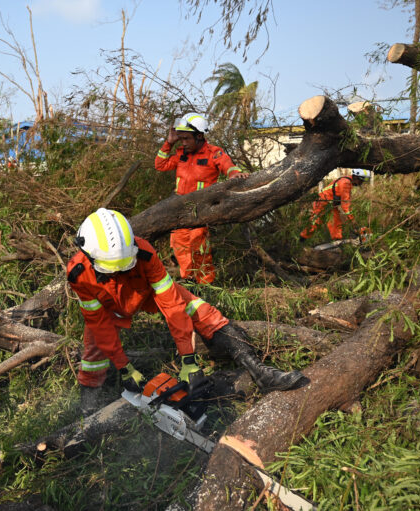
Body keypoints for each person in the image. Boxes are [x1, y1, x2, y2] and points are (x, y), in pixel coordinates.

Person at [68, 208, 304, 408]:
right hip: (109, 307)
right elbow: (98, 322)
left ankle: (260, 372)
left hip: (145, 293)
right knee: (94, 353)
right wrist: (124, 366)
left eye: (123, 266)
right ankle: (88, 410)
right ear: (87, 253)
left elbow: (172, 304)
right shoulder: (78, 274)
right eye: (112, 267)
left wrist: (188, 359)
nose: (118, 271)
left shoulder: (144, 253)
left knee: (201, 310)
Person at [155, 113, 248, 284]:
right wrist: (169, 142)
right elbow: (160, 165)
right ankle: (189, 282)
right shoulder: (181, 153)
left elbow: (228, 166)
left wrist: (235, 174)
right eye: (181, 138)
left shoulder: (214, 153)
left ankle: (206, 285)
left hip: (201, 210)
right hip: (180, 209)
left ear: (199, 136)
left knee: (199, 247)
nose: (183, 142)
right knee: (180, 247)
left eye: (186, 138)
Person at [300, 169, 371, 243]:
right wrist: (352, 220)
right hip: (322, 202)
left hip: (330, 204)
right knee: (316, 222)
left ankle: (337, 241)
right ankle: (302, 239)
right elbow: (345, 205)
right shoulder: (345, 183)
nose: (361, 183)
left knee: (335, 221)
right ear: (356, 177)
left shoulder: (347, 181)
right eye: (361, 181)